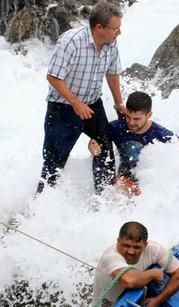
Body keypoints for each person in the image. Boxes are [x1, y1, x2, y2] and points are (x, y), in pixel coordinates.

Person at [37, 1, 125, 195]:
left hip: (93, 103)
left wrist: (119, 104)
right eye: (115, 29)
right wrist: (75, 102)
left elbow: (112, 72)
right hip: (63, 108)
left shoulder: (110, 42)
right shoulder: (71, 41)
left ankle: (103, 200)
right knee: (54, 161)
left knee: (105, 150)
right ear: (99, 27)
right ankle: (37, 211)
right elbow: (53, 76)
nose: (119, 33)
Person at [87, 91, 179, 196]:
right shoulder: (116, 127)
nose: (131, 122)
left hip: (148, 180)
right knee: (117, 189)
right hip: (124, 177)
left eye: (137, 119)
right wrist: (94, 149)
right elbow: (95, 143)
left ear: (149, 115)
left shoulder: (159, 133)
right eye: (128, 117)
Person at [89, 221, 179, 307]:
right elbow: (129, 280)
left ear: (145, 245)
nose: (131, 251)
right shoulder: (110, 257)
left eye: (137, 247)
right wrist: (153, 273)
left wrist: (158, 300)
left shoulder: (154, 249)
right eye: (126, 245)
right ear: (118, 241)